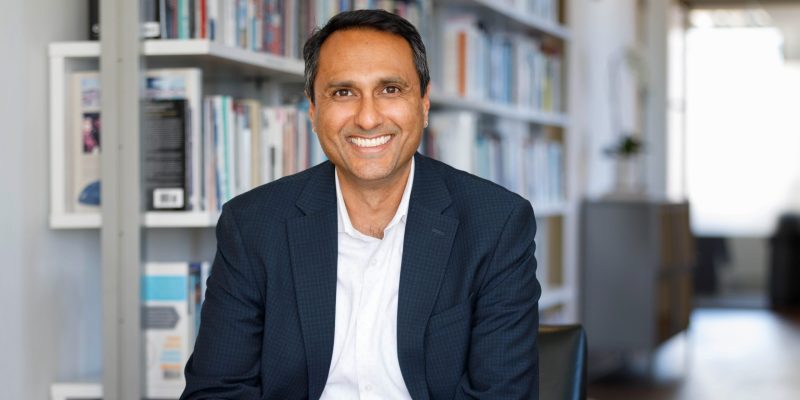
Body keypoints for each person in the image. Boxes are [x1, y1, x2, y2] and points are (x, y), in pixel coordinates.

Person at [182, 9, 540, 400]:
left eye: (390, 89)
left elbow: (502, 394)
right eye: (343, 92)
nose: (368, 118)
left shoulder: (496, 224)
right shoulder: (253, 224)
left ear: (423, 103)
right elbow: (216, 391)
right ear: (313, 111)